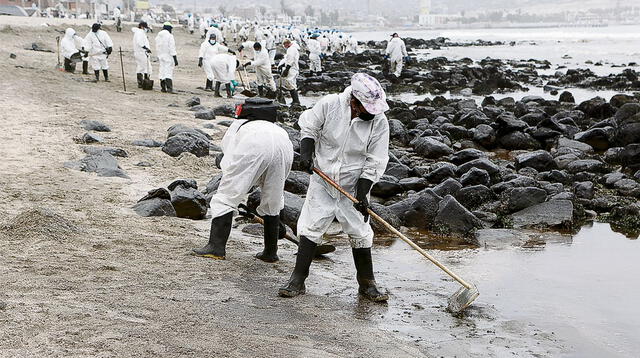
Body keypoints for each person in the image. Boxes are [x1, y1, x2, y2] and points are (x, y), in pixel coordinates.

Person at [278, 73, 390, 302]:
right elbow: (309, 128)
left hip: (354, 182)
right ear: (354, 102)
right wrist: (307, 154)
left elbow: (375, 160)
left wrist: (362, 193)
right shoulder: (330, 105)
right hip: (323, 178)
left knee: (359, 231)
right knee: (311, 225)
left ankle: (367, 285)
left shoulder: (379, 122)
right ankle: (297, 281)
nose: (372, 113)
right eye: (367, 108)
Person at [193, 98, 294, 262]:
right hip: (284, 146)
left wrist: (235, 190)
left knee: (225, 198)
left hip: (254, 145)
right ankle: (270, 252)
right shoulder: (277, 128)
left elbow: (229, 157)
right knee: (273, 199)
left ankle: (216, 248)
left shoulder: (239, 125)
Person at [155, 22, 178, 93]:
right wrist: (175, 59)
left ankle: (163, 88)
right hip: (168, 56)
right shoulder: (170, 36)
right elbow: (172, 48)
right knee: (168, 71)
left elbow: (157, 47)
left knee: (162, 71)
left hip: (161, 56)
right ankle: (169, 88)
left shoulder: (158, 36)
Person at [279, 39, 300, 105]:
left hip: (291, 68)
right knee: (292, 84)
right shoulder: (294, 48)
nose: (284, 46)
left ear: (286, 44)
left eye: (284, 45)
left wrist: (286, 69)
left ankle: (296, 101)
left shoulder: (291, 49)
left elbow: (290, 59)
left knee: (290, 84)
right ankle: (295, 100)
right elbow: (288, 59)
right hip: (294, 68)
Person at [132, 21, 152, 88]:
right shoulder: (140, 32)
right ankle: (145, 82)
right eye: (145, 28)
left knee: (140, 67)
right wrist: (146, 48)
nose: (146, 29)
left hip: (138, 52)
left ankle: (140, 83)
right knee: (146, 67)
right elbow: (140, 42)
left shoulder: (138, 32)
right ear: (142, 27)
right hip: (141, 52)